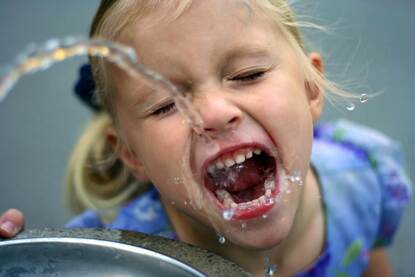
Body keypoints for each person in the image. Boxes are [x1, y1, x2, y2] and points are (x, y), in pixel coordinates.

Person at [1, 1, 412, 276]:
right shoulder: (107, 259)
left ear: (311, 87)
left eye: (247, 75)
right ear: (131, 154)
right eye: (164, 105)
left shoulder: (366, 176)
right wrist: (19, 257)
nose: (213, 114)